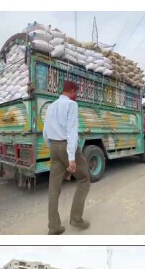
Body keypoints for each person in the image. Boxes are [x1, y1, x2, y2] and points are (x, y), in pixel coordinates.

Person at [43, 80, 90, 235]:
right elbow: (72, 131)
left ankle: (53, 227)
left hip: (54, 147)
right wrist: (71, 157)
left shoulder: (51, 106)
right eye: (74, 92)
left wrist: (52, 147)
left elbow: (45, 131)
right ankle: (76, 219)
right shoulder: (71, 105)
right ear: (70, 91)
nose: (75, 95)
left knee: (53, 189)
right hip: (66, 147)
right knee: (84, 180)